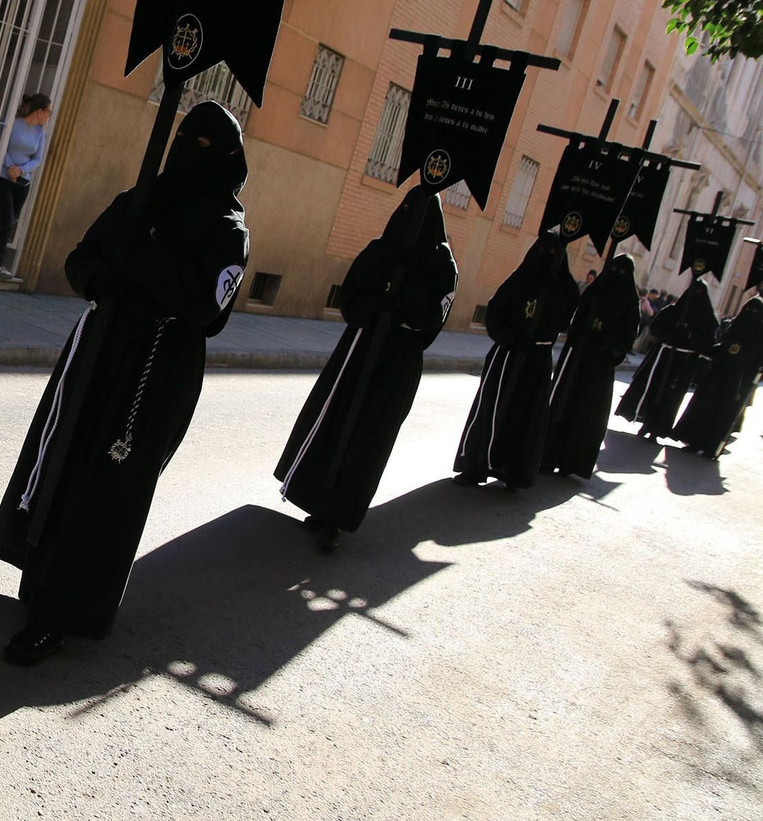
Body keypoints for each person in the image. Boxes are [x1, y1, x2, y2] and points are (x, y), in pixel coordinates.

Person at [0, 102, 250, 664]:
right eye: (185, 141)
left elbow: (205, 306)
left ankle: (68, 611)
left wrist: (142, 256)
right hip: (99, 348)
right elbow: (81, 260)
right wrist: (108, 277)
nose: (189, 156)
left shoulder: (228, 231)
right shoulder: (137, 201)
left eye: (204, 147)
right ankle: (38, 577)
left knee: (109, 488)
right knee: (63, 459)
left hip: (154, 370)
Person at [275, 185, 458, 551]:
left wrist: (405, 299)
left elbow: (433, 320)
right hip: (360, 348)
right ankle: (313, 499)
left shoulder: (443, 266)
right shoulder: (380, 250)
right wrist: (377, 304)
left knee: (370, 437)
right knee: (335, 420)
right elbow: (351, 295)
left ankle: (338, 518)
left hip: (399, 361)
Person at [453, 231, 578, 489]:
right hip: (507, 354)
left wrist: (553, 293)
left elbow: (565, 318)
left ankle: (513, 470)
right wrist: (509, 336)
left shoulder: (563, 287)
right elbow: (495, 311)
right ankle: (475, 466)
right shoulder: (519, 278)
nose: (545, 258)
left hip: (536, 360)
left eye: (552, 254)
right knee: (490, 408)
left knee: (525, 414)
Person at [541, 253, 641, 478]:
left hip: (599, 365)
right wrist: (578, 337)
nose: (617, 276)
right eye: (614, 269)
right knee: (562, 403)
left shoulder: (630, 301)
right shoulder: (596, 289)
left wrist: (610, 347)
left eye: (622, 272)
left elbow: (629, 332)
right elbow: (577, 314)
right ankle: (547, 454)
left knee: (586, 413)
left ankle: (571, 461)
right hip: (577, 358)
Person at [616, 275, 720, 439]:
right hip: (664, 357)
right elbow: (656, 328)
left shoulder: (708, 320)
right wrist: (672, 334)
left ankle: (658, 429)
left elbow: (709, 343)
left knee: (672, 398)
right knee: (655, 390)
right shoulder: (672, 311)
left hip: (685, 363)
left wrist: (690, 337)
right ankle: (645, 422)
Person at [673, 296, 763, 458]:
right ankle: (695, 441)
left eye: (755, 312)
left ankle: (712, 447)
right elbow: (723, 346)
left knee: (723, 414)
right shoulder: (734, 327)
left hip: (738, 380)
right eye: (748, 310)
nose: (750, 314)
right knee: (705, 407)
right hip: (719, 374)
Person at [0, 92, 52, 278]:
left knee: (9, 221)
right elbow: (0, 146)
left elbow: (38, 159)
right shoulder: (13, 123)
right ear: (39, 111)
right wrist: (10, 167)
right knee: (5, 220)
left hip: (22, 182)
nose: (49, 116)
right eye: (49, 112)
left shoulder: (40, 133)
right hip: (2, 178)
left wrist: (20, 171)